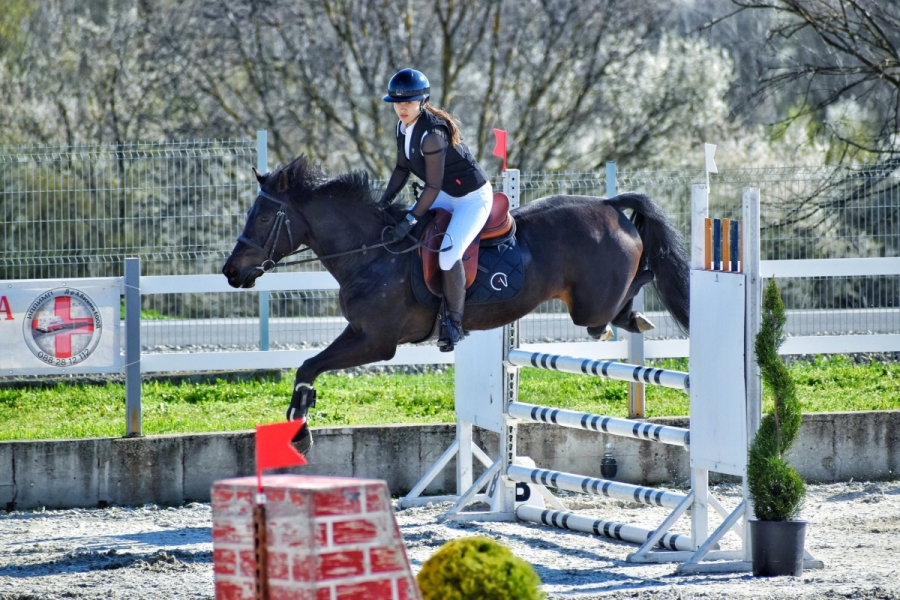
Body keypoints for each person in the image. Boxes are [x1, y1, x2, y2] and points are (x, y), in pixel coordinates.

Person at [379, 68, 493, 352]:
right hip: (445, 192)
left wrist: (410, 218)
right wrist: (382, 203)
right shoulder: (403, 128)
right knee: (415, 237)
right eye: (397, 102)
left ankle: (453, 324)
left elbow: (431, 187)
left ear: (423, 100)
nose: (402, 107)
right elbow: (401, 169)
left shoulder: (432, 135)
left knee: (447, 256)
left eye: (409, 101)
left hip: (471, 198)